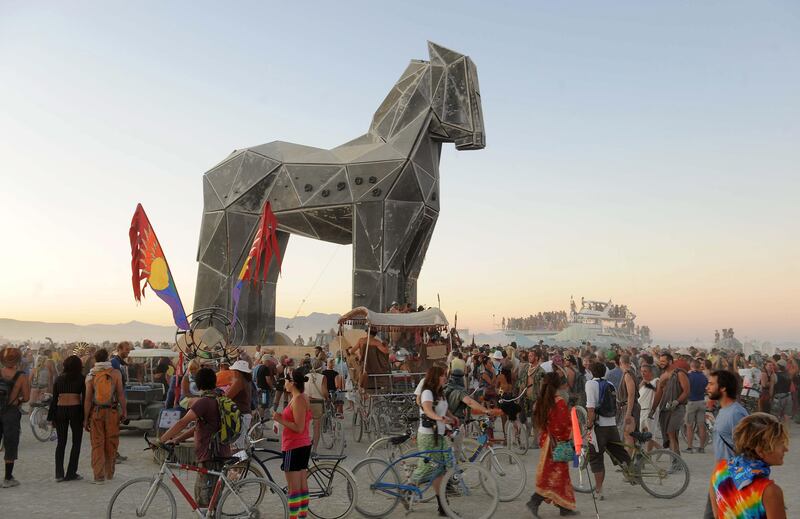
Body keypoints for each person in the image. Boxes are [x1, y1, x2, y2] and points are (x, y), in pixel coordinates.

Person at [160, 367, 231, 510]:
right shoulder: (218, 398)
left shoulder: (204, 402)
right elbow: (198, 427)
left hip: (211, 455)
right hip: (217, 452)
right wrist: (177, 439)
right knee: (209, 500)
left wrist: (161, 440)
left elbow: (182, 422)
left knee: (205, 501)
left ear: (198, 385)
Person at [709, 413, 787, 519]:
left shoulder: (719, 470)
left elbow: (717, 515)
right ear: (760, 450)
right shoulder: (769, 491)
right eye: (780, 443)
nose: (786, 449)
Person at [527, 372, 578, 517]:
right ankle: (534, 501)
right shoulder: (559, 401)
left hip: (546, 441)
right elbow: (562, 425)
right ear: (558, 384)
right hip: (557, 444)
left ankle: (564, 507)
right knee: (555, 475)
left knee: (556, 474)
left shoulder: (541, 400)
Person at [703, 369, 749, 519]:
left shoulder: (736, 413)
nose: (707, 387)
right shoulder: (724, 411)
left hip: (732, 481)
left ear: (722, 388)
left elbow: (747, 449)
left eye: (711, 384)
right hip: (721, 477)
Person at [412, 366, 457, 517]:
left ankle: (443, 507)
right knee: (427, 469)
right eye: (443, 375)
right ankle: (407, 487)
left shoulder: (440, 392)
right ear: (436, 376)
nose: (445, 377)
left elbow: (443, 409)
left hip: (439, 434)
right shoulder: (427, 392)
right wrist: (439, 418)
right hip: (428, 436)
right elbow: (428, 410)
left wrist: (452, 416)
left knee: (439, 472)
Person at [585, 361, 630, 501]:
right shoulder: (610, 384)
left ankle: (599, 490)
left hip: (599, 427)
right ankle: (633, 473)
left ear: (592, 372)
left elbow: (591, 409)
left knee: (596, 458)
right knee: (619, 452)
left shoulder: (590, 384)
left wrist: (589, 424)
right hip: (611, 426)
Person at [272, 369, 312, 519]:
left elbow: (299, 427)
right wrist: (281, 418)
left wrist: (280, 419)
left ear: (293, 383)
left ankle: (294, 517)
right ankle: (301, 516)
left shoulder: (298, 400)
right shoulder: (300, 397)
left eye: (286, 380)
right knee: (301, 486)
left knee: (294, 489)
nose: (284, 383)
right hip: (301, 445)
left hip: (294, 445)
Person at [83, 348, 126, 484]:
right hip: (112, 411)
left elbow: (88, 399)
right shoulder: (115, 373)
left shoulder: (91, 375)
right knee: (111, 443)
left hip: (96, 412)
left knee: (97, 444)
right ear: (107, 358)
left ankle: (98, 476)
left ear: (95, 360)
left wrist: (85, 418)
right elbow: (120, 395)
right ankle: (109, 473)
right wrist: (124, 411)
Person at [48, 355, 85, 482]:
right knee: (76, 442)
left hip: (60, 410)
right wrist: (86, 416)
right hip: (75, 410)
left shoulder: (59, 379)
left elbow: (54, 399)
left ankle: (59, 474)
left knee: (61, 443)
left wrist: (51, 417)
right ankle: (71, 473)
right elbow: (85, 399)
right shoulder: (81, 378)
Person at [650, 352, 689, 455]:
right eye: (660, 361)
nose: (661, 363)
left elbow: (686, 391)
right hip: (665, 409)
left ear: (670, 361)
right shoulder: (662, 376)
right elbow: (658, 394)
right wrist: (653, 409)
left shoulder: (679, 373)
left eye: (663, 361)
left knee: (671, 432)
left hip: (678, 408)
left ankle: (675, 461)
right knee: (670, 435)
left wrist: (677, 401)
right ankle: (676, 460)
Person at [0, 347, 29, 488]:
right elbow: (27, 397)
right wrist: (18, 400)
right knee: (10, 444)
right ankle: (8, 478)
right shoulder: (21, 376)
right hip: (11, 412)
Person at [225, 360, 253, 451]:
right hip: (245, 415)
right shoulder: (246, 381)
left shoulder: (239, 382)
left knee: (236, 446)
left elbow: (226, 397)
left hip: (241, 416)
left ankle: (240, 465)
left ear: (237, 372)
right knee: (239, 444)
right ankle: (242, 464)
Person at [616, 354, 640, 454]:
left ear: (621, 363)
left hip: (630, 407)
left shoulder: (627, 375)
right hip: (629, 406)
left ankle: (629, 462)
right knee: (629, 435)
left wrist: (628, 413)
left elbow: (631, 395)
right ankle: (631, 460)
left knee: (628, 435)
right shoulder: (631, 373)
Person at [685, 359, 709, 453]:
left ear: (691, 366)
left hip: (691, 402)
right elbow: (706, 388)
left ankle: (690, 447)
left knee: (689, 425)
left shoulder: (689, 376)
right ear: (699, 366)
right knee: (701, 426)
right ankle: (701, 447)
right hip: (702, 401)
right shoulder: (703, 377)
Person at [304, 362, 326, 452]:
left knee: (305, 426)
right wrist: (327, 398)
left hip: (306, 402)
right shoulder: (322, 377)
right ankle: (314, 450)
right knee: (316, 428)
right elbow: (324, 392)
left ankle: (305, 447)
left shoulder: (306, 376)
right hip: (318, 403)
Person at [637, 364, 660, 452]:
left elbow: (659, 392)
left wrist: (647, 384)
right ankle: (659, 448)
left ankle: (648, 454)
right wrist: (642, 384)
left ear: (651, 372)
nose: (643, 373)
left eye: (645, 371)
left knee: (649, 433)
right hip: (641, 410)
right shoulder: (642, 382)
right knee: (642, 434)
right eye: (642, 371)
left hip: (649, 410)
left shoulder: (656, 381)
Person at [770, 360, 791, 424]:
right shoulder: (788, 374)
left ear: (778, 366)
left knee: (775, 416)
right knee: (786, 415)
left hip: (778, 397)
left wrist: (770, 397)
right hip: (788, 396)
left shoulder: (774, 375)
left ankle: (776, 431)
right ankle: (786, 430)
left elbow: (771, 388)